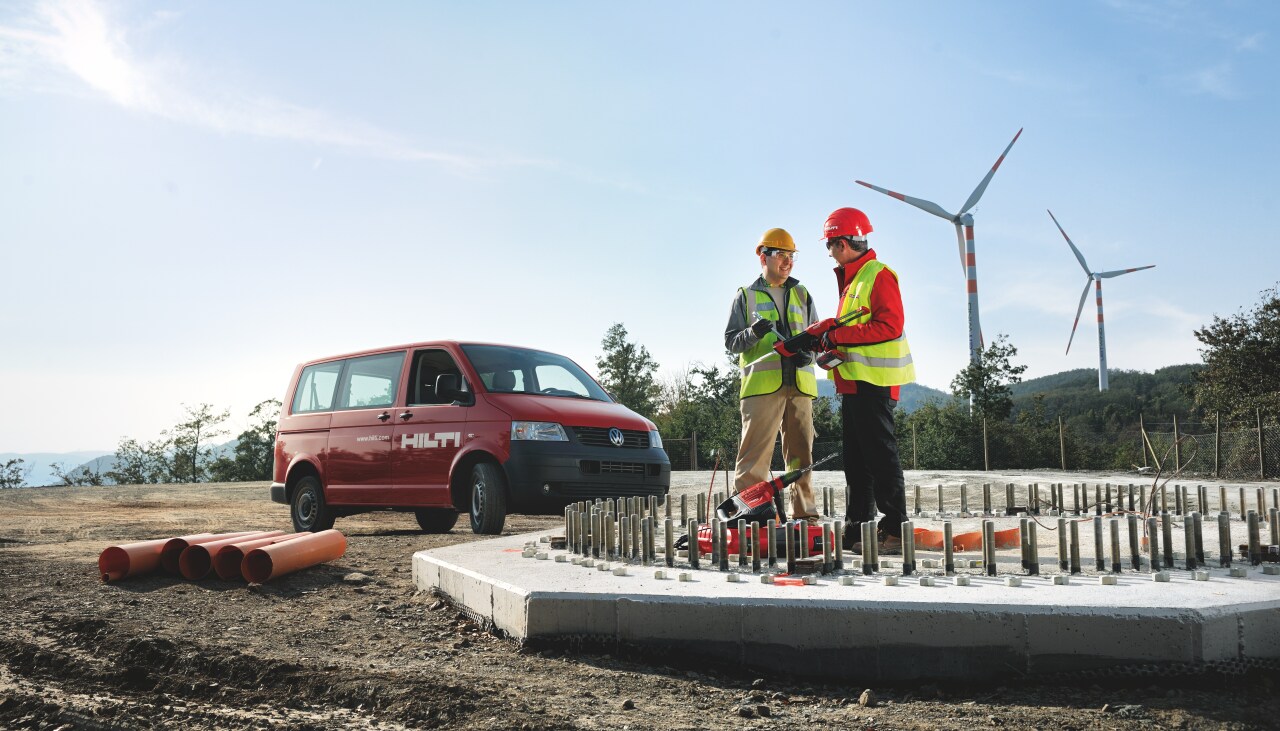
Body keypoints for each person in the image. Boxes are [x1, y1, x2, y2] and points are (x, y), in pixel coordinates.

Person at [815, 207, 915, 553]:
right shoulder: (853, 280)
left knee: (880, 458)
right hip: (854, 384)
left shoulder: (878, 274)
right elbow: (854, 331)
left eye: (830, 246)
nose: (829, 253)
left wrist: (838, 337)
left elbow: (890, 326)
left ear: (842, 243)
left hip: (875, 382)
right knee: (857, 463)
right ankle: (858, 528)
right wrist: (829, 339)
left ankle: (896, 530)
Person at [723, 228, 821, 522]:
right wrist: (752, 333)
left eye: (791, 256)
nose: (787, 261)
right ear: (762, 257)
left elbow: (818, 337)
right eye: (781, 254)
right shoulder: (746, 296)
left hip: (800, 385)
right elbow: (731, 342)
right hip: (761, 388)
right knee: (754, 459)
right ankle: (749, 514)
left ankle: (804, 515)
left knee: (801, 457)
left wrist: (810, 353)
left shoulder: (803, 294)